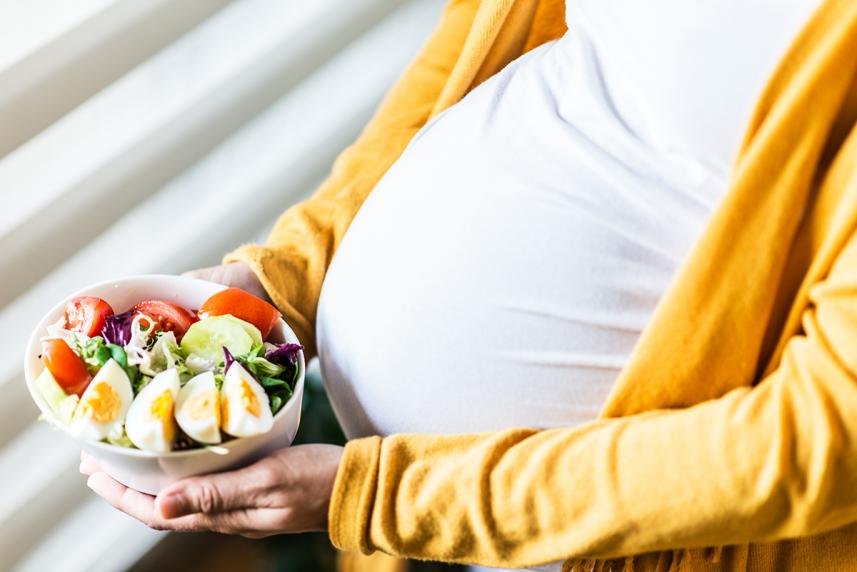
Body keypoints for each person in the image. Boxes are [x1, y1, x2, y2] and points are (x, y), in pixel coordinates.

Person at [82, 0, 857, 570]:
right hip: (428, 520)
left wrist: (388, 498)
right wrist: (289, 271)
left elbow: (814, 439)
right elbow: (477, 37)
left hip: (630, 539)